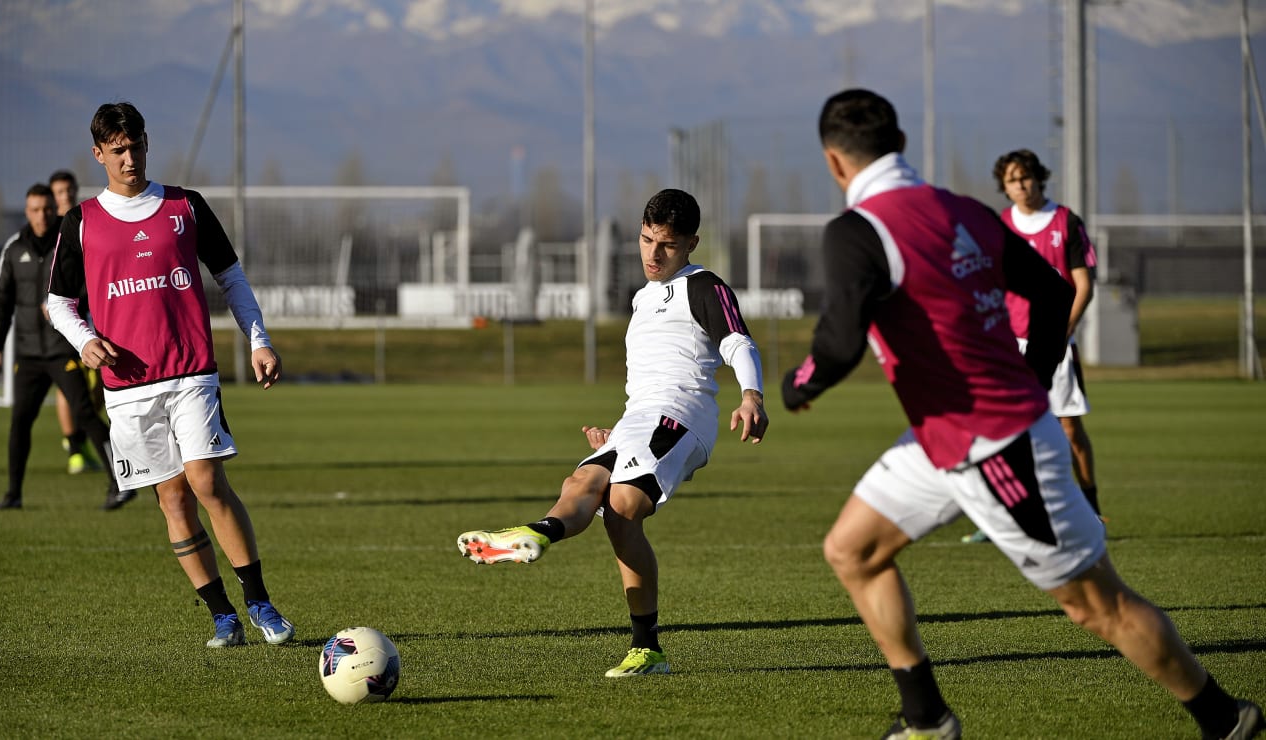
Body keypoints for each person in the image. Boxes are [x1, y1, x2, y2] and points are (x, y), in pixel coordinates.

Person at [780, 89, 1261, 739]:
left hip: (997, 448)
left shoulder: (857, 229)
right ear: (901, 145)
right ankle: (925, 720)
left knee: (1100, 606)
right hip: (943, 437)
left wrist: (797, 383)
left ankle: (1225, 719)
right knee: (853, 551)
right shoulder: (967, 211)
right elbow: (1055, 289)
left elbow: (837, 347)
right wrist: (1035, 375)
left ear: (834, 162)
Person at [457, 188, 769, 678]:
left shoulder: (704, 286)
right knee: (585, 489)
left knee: (623, 504)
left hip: (680, 417)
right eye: (646, 240)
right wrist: (620, 434)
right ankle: (538, 535)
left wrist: (751, 396)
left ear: (691, 243)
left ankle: (640, 640)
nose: (653, 253)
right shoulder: (643, 298)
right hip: (637, 422)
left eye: (666, 244)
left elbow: (737, 342)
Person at [46, 102, 295, 649]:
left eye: (135, 146)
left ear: (146, 143)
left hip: (190, 373)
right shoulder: (81, 221)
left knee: (206, 480)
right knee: (174, 498)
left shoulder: (184, 206)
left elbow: (230, 276)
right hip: (129, 388)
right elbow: (59, 302)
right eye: (118, 150)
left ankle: (260, 602)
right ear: (99, 154)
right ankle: (222, 615)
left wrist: (260, 340)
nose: (129, 158)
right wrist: (86, 340)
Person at [962, 149, 1102, 545]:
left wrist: (1060, 334)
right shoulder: (999, 225)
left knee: (1069, 428)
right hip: (1007, 345)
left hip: (1056, 343)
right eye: (1011, 180)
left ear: (1039, 178)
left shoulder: (1065, 221)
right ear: (1003, 187)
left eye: (1025, 177)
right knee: (1000, 430)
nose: (1020, 185)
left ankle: (1091, 508)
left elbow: (1084, 286)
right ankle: (998, 514)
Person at [0, 184, 127, 511]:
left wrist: (68, 307)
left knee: (86, 415)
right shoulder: (14, 248)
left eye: (47, 209)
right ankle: (13, 493)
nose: (42, 216)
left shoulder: (68, 244)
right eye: (35, 210)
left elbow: (90, 284)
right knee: (20, 421)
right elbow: (0, 301)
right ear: (27, 211)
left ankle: (120, 483)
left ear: (55, 209)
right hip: (29, 354)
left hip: (63, 348)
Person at [48, 169, 106, 476]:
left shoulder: (82, 222)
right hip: (63, 318)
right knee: (67, 384)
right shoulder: (47, 230)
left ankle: (79, 434)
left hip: (92, 313)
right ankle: (74, 446)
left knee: (99, 383)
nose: (66, 196)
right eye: (59, 192)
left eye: (69, 190)